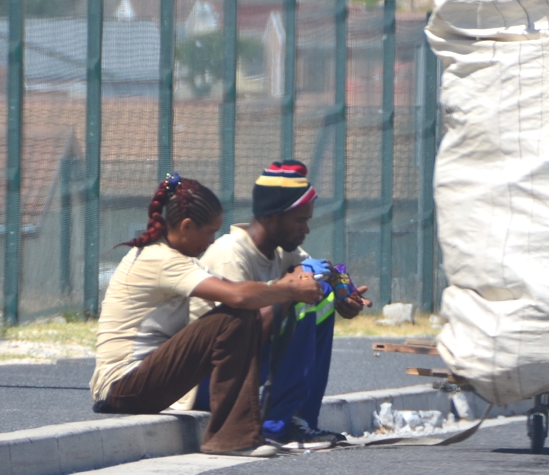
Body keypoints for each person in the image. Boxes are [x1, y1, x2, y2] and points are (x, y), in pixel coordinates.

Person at [90, 173, 322, 458]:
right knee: (235, 316)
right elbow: (237, 296)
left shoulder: (175, 257)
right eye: (210, 232)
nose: (212, 241)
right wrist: (288, 290)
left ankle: (262, 425)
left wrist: (288, 285)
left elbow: (235, 288)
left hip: (140, 384)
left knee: (241, 313)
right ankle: (232, 438)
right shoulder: (160, 259)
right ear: (186, 227)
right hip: (123, 387)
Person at [190, 160, 371, 448]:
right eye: (300, 221)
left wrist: (342, 297)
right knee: (302, 301)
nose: (307, 230)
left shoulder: (282, 252)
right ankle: (275, 425)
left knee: (318, 300)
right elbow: (241, 339)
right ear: (273, 217)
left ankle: (300, 419)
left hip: (245, 369)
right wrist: (288, 291)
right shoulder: (230, 254)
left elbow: (318, 274)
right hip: (209, 379)